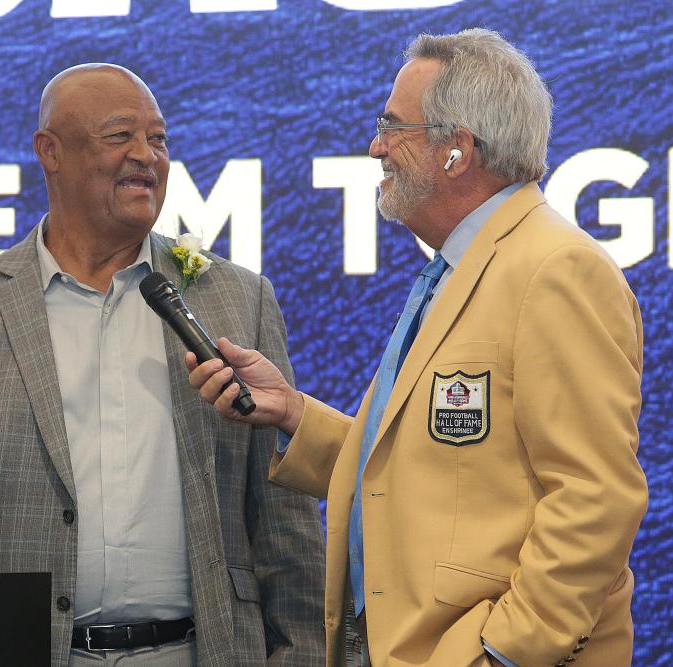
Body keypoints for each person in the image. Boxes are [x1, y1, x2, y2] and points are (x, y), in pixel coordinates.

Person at [0, 63, 325, 666]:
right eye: (120, 136)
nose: (147, 156)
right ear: (50, 152)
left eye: (159, 139)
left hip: (200, 652)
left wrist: (302, 654)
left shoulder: (236, 298)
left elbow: (283, 516)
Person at [187, 29, 647, 667]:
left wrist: (502, 652)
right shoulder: (456, 269)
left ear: (457, 150)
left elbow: (596, 498)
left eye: (392, 126)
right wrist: (292, 414)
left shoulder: (556, 270)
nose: (376, 145)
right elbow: (430, 476)